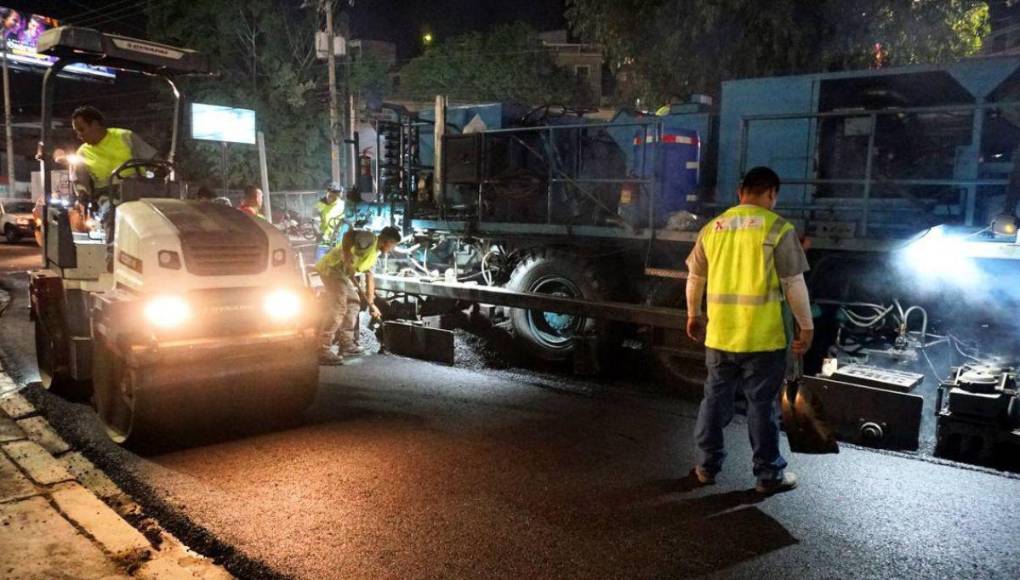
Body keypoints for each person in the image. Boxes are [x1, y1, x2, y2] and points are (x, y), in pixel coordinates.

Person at [684, 166, 813, 495]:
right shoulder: (778, 228)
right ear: (771, 193)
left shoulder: (713, 228)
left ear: (740, 191)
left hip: (721, 335)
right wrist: (806, 327)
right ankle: (768, 475)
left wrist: (693, 313)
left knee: (713, 400)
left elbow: (695, 278)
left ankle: (705, 468)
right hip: (763, 338)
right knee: (761, 406)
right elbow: (793, 284)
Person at [315, 226, 401, 365]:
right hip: (332, 268)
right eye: (393, 245)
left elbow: (369, 278)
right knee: (339, 307)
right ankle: (322, 349)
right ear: (386, 241)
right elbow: (348, 235)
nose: (392, 249)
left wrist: (372, 304)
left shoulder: (375, 254)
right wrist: (348, 256)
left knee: (354, 303)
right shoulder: (369, 238)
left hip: (341, 274)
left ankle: (346, 344)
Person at [315, 183, 346, 259]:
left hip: (337, 237)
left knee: (322, 255)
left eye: (334, 193)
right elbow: (315, 215)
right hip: (325, 236)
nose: (331, 195)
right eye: (330, 193)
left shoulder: (342, 205)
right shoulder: (322, 204)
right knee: (320, 255)